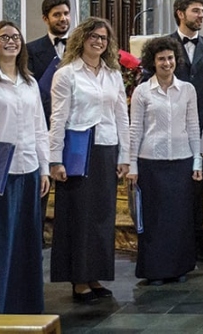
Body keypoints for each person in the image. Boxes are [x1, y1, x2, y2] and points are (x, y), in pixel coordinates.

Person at [49, 17, 130, 303]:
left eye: (104, 38)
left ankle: (95, 274)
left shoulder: (113, 74)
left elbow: (122, 115)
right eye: (94, 36)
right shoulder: (67, 73)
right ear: (82, 38)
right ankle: (78, 279)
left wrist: (125, 156)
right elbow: (58, 117)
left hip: (106, 147)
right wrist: (54, 159)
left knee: (101, 217)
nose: (99, 41)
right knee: (79, 216)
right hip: (78, 150)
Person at [0, 21, 49, 313]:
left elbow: (39, 127)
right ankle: (1, 305)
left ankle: (28, 304)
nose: (11, 41)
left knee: (28, 242)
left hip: (28, 168)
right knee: (2, 241)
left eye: (16, 37)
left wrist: (44, 168)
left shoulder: (29, 81)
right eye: (4, 37)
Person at [128, 36, 202, 286]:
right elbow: (135, 129)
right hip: (151, 161)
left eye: (170, 58)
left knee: (179, 219)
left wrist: (197, 162)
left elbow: (193, 127)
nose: (166, 62)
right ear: (153, 61)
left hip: (181, 161)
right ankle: (155, 270)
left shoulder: (187, 90)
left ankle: (178, 267)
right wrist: (133, 165)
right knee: (155, 219)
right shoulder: (142, 91)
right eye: (161, 59)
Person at [169, 0, 203, 262]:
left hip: (200, 125)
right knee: (173, 185)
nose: (201, 15)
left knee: (197, 184)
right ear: (180, 13)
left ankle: (196, 238)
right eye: (195, 11)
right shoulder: (165, 45)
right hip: (171, 126)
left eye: (202, 11)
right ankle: (174, 241)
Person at [26, 0, 72, 126]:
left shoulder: (81, 49)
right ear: (45, 19)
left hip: (74, 120)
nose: (63, 18)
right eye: (57, 15)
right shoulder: (31, 49)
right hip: (44, 119)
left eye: (66, 13)